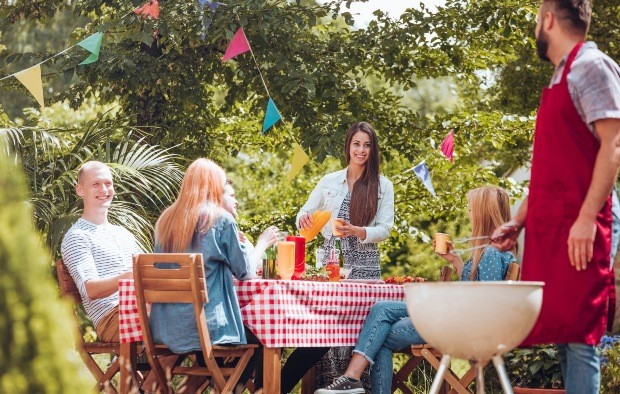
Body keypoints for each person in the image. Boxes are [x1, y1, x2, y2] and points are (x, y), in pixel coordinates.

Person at [491, 1, 620, 393]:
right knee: (565, 335)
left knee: (581, 338)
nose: (536, 26)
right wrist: (519, 220)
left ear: (548, 18)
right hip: (554, 225)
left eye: (537, 18)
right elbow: (549, 170)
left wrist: (585, 219)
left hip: (583, 223)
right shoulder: (558, 77)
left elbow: (613, 144)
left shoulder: (593, 67)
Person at [315, 185, 517, 394]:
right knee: (381, 308)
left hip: (461, 326)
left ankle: (351, 378)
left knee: (380, 336)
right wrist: (456, 260)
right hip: (455, 317)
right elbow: (473, 287)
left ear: (484, 213)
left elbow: (487, 303)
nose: (469, 213)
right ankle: (351, 378)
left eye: (472, 209)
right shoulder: (487, 250)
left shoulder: (492, 253)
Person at [296, 121, 395, 390]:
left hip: (365, 263)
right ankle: (328, 387)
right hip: (332, 260)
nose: (361, 150)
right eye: (356, 144)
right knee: (330, 324)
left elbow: (386, 228)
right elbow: (303, 213)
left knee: (362, 327)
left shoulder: (383, 185)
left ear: (373, 150)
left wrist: (358, 231)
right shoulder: (329, 181)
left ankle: (355, 385)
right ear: (348, 146)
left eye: (366, 145)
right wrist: (303, 218)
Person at [149, 158, 255, 394]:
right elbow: (246, 272)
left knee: (215, 354)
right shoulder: (220, 220)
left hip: (165, 327)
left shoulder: (166, 219)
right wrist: (246, 243)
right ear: (214, 186)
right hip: (207, 327)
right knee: (260, 341)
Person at [61, 161, 141, 343]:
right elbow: (91, 289)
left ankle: (147, 372)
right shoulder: (77, 236)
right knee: (181, 320)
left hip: (143, 308)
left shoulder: (124, 233)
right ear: (80, 190)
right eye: (96, 184)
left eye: (108, 183)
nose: (104, 189)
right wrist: (131, 275)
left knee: (196, 316)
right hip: (113, 319)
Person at [222, 178, 278, 277]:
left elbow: (259, 267)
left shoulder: (231, 235)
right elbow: (247, 272)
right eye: (232, 196)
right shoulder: (222, 232)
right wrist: (263, 243)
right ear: (217, 199)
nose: (236, 202)